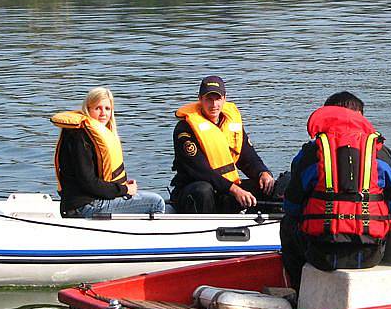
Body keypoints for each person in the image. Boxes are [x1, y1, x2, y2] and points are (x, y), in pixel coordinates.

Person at [280, 91, 391, 291]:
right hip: (370, 254)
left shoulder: (312, 153)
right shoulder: (380, 154)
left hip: (321, 253)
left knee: (287, 223)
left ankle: (298, 291)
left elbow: (291, 206)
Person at [52, 87, 166, 217]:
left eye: (107, 109)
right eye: (97, 108)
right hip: (84, 206)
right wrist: (124, 190)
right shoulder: (79, 137)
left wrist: (121, 186)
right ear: (87, 109)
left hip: (91, 201)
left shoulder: (90, 134)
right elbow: (88, 182)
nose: (103, 113)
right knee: (156, 202)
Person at [170, 75, 275, 213]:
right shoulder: (184, 129)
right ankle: (203, 230)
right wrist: (235, 190)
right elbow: (202, 171)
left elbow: (248, 157)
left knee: (271, 186)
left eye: (218, 99)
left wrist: (263, 173)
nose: (214, 105)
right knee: (203, 190)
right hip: (193, 191)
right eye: (209, 99)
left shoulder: (231, 124)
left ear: (224, 99)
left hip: (226, 190)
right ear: (200, 99)